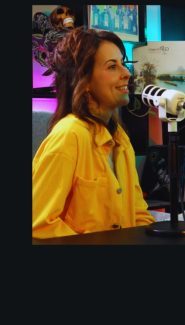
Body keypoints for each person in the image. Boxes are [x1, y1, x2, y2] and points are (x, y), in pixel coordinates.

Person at [32, 26, 155, 238]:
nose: (127, 73)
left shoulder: (120, 138)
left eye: (123, 64)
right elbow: (38, 225)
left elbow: (138, 214)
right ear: (84, 80)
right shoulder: (69, 135)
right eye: (112, 66)